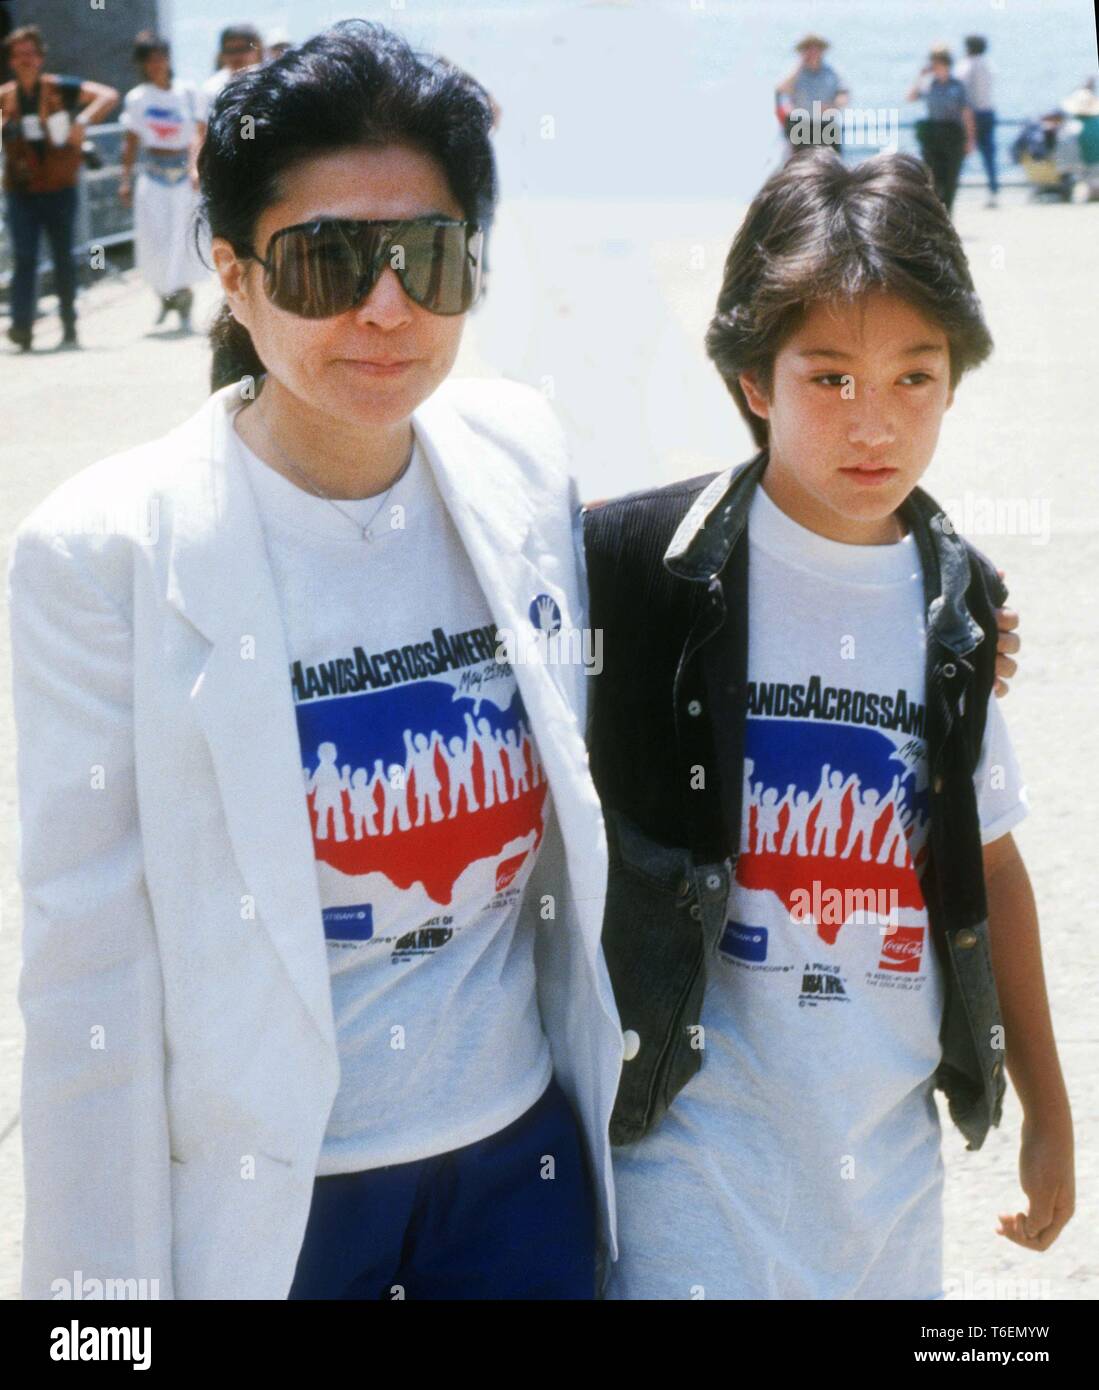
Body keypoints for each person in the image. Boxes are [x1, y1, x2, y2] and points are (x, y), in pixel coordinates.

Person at [9, 21, 623, 1301]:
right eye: (327, 260)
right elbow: (87, 973)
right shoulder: (106, 554)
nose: (385, 307)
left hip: (519, 1174)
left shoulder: (518, 457)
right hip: (280, 1208)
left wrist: (943, 604)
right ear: (233, 275)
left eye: (427, 256)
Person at [583, 150, 1069, 1299]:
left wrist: (1047, 1107)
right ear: (755, 378)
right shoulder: (641, 568)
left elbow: (992, 863)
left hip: (883, 1160)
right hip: (686, 1153)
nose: (874, 421)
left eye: (914, 376)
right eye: (830, 377)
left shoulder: (954, 603)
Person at [0, 24, 118, 350]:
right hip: (21, 189)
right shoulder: (5, 97)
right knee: (24, 257)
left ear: (40, 57)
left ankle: (68, 325)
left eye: (30, 53)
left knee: (63, 256)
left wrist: (82, 121)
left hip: (59, 186)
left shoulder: (59, 88)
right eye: (18, 55)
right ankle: (22, 328)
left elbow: (108, 95)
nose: (25, 60)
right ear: (10, 60)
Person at [119, 31, 207, 332]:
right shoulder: (137, 98)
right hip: (153, 173)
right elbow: (131, 141)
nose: (156, 64)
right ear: (142, 64)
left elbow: (198, 133)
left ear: (168, 59)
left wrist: (195, 168)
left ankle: (184, 300)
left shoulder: (187, 92)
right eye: (149, 60)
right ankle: (165, 296)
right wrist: (125, 179)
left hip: (182, 174)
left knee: (181, 237)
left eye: (160, 57)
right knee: (154, 239)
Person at [908, 44, 976, 215]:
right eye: (933, 63)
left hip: (953, 135)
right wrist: (920, 77)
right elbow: (911, 97)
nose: (935, 67)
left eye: (938, 63)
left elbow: (967, 113)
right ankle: (936, 216)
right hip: (933, 135)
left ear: (946, 64)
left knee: (951, 179)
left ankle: (948, 216)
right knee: (932, 180)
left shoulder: (958, 86)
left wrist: (970, 140)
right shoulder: (929, 85)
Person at [775, 33, 849, 154]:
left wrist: (833, 105)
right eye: (808, 49)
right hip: (801, 126)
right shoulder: (794, 73)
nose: (813, 52)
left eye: (816, 49)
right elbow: (782, 90)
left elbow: (844, 94)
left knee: (832, 161)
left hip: (826, 125)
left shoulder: (832, 72)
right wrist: (800, 66)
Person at [956, 35, 999, 207]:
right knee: (989, 155)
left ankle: (951, 190)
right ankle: (993, 191)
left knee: (960, 154)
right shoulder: (989, 65)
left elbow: (961, 91)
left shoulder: (966, 65)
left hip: (971, 114)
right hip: (988, 111)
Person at [201, 23, 263, 105]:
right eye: (230, 50)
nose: (237, 56)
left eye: (242, 49)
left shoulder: (268, 81)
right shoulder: (212, 87)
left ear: (257, 51)